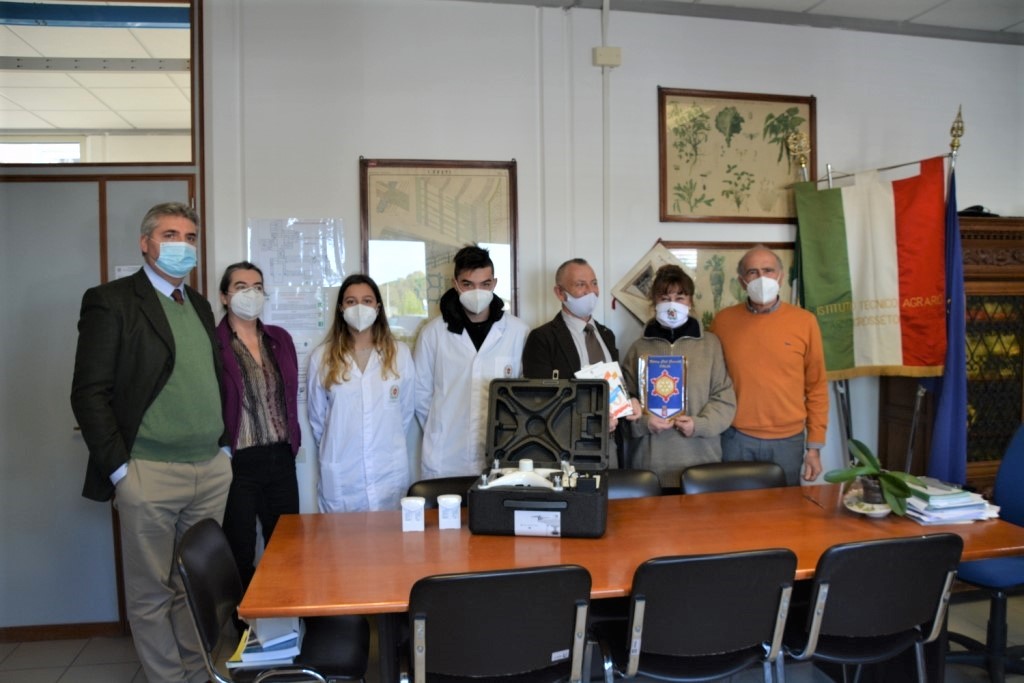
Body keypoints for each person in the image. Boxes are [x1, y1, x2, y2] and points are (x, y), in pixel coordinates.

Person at [70, 202, 231, 683]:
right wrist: (121, 470)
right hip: (148, 472)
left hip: (208, 470)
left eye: (190, 236)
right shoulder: (112, 301)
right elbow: (88, 393)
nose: (182, 245)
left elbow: (211, 381)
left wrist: (224, 450)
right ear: (145, 243)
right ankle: (168, 679)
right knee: (151, 593)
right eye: (170, 235)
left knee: (194, 586)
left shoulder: (198, 304)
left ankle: (197, 673)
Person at [711, 245, 828, 486]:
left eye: (768, 270)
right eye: (752, 272)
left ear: (781, 277)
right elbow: (711, 381)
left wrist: (814, 447)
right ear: (742, 281)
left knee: (784, 508)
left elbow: (816, 386)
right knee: (733, 506)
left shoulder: (805, 322)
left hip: (788, 441)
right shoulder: (722, 321)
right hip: (735, 438)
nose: (761, 278)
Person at [216, 262, 300, 591]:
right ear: (224, 296)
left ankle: (287, 613)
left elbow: (290, 395)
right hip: (238, 462)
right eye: (241, 287)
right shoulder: (214, 343)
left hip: (281, 457)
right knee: (240, 548)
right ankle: (242, 618)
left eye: (257, 287)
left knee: (287, 545)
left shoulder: (279, 338)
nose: (250, 293)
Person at [415, 244, 530, 478]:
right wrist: (442, 428)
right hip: (446, 456)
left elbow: (526, 395)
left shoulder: (518, 332)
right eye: (468, 284)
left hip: (502, 453)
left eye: (485, 284)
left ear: (494, 284)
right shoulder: (433, 334)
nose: (477, 292)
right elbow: (420, 395)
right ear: (455, 284)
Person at [621, 264, 736, 490]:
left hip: (701, 464)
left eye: (679, 297)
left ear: (690, 301)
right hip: (649, 466)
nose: (672, 304)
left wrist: (699, 425)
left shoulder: (711, 345)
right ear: (654, 302)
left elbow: (724, 399)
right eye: (665, 298)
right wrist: (644, 423)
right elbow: (623, 405)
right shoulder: (638, 348)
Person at [307, 274, 415, 511]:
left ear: (378, 307)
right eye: (351, 301)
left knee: (390, 534)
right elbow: (318, 421)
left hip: (388, 473)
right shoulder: (321, 358)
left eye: (367, 301)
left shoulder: (400, 354)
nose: (359, 308)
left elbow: (404, 413)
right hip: (344, 475)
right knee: (341, 535)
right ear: (341, 308)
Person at [522, 258, 641, 467]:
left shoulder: (606, 335)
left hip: (609, 446)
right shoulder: (542, 338)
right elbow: (539, 402)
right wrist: (591, 423)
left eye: (594, 283)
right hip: (566, 449)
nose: (591, 292)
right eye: (580, 285)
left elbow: (616, 383)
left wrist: (631, 400)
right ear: (560, 293)